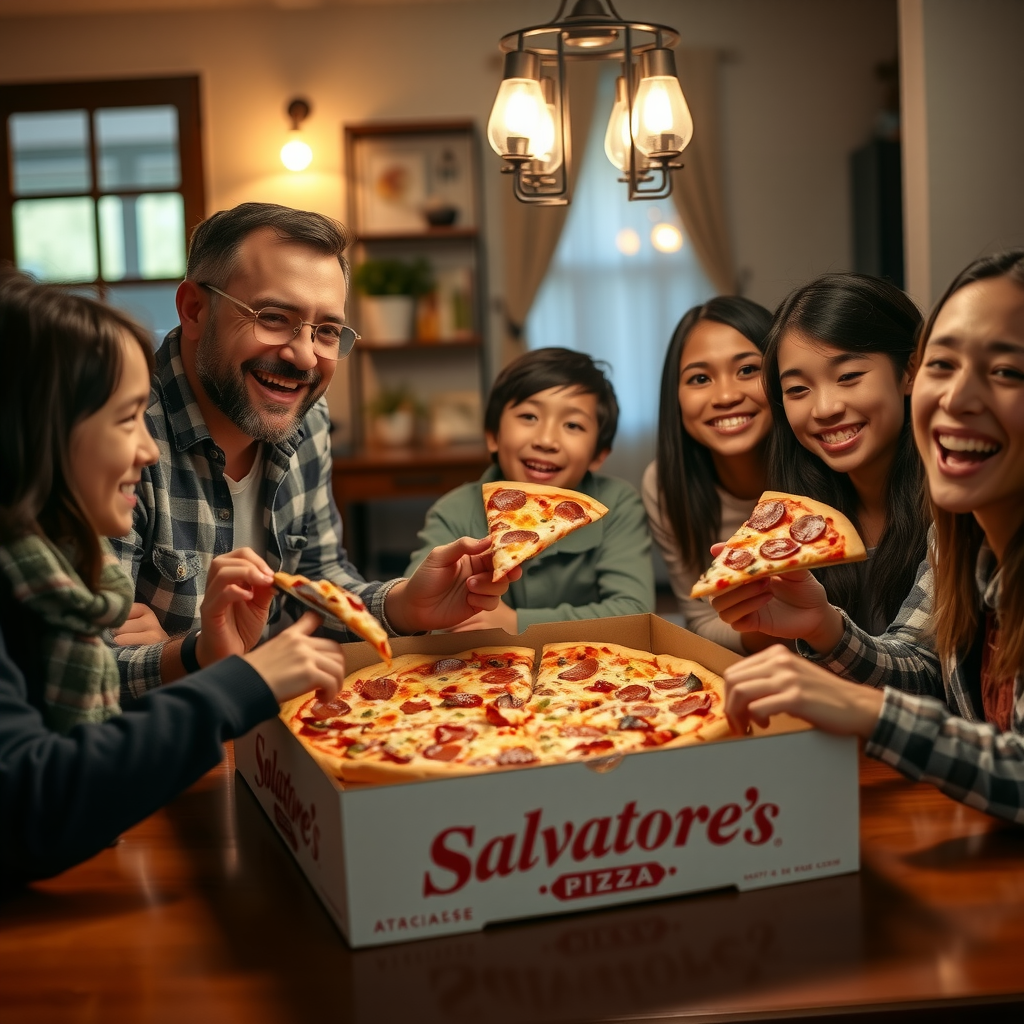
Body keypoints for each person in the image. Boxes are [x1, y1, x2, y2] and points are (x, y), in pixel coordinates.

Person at [0, 272, 349, 881]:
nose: (149, 449)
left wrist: (398, 600)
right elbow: (34, 803)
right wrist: (242, 682)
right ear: (35, 432)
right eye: (125, 419)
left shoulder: (46, 577)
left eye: (326, 330)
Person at [110, 202, 515, 696]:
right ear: (195, 309)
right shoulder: (113, 434)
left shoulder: (309, 419)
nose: (304, 355)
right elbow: (75, 668)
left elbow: (316, 585)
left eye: (326, 331)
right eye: (274, 317)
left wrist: (406, 605)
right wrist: (187, 655)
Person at [719, 250, 1024, 823]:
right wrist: (824, 626)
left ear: (902, 371)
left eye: (1006, 371)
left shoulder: (946, 509)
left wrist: (868, 710)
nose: (958, 398)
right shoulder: (960, 531)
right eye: (945, 365)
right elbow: (928, 672)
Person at [405, 347, 654, 631]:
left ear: (599, 454)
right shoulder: (453, 511)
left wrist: (517, 623)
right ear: (492, 436)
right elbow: (420, 610)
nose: (546, 439)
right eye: (529, 417)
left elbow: (636, 612)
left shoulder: (617, 505)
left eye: (572, 424)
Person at [759, 273, 928, 633]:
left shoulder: (956, 510)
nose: (825, 408)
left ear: (910, 371)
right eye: (798, 389)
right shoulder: (800, 521)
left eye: (848, 376)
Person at [641, 297, 773, 652]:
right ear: (676, 396)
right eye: (700, 378)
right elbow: (699, 619)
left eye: (747, 369)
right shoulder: (666, 484)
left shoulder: (826, 465)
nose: (726, 395)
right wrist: (776, 630)